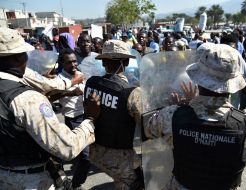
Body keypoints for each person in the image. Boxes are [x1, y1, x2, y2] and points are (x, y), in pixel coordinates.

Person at [0, 27, 100, 190]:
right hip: (31, 181)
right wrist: (90, 119)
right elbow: (66, 147)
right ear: (18, 58)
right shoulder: (28, 99)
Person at [144, 43, 246, 190]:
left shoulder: (171, 115)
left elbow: (149, 130)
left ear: (198, 79)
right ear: (232, 82)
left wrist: (183, 107)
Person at [84, 40, 144, 190]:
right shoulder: (131, 92)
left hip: (95, 151)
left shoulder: (91, 83)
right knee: (138, 181)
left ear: (103, 62)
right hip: (120, 158)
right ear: (126, 62)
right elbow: (147, 124)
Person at [58, 49, 91, 189]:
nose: (73, 64)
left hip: (86, 115)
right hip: (73, 119)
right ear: (62, 63)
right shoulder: (59, 79)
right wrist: (71, 90)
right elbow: (53, 93)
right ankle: (76, 184)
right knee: (85, 156)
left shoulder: (81, 74)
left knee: (85, 153)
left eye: (74, 61)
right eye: (69, 62)